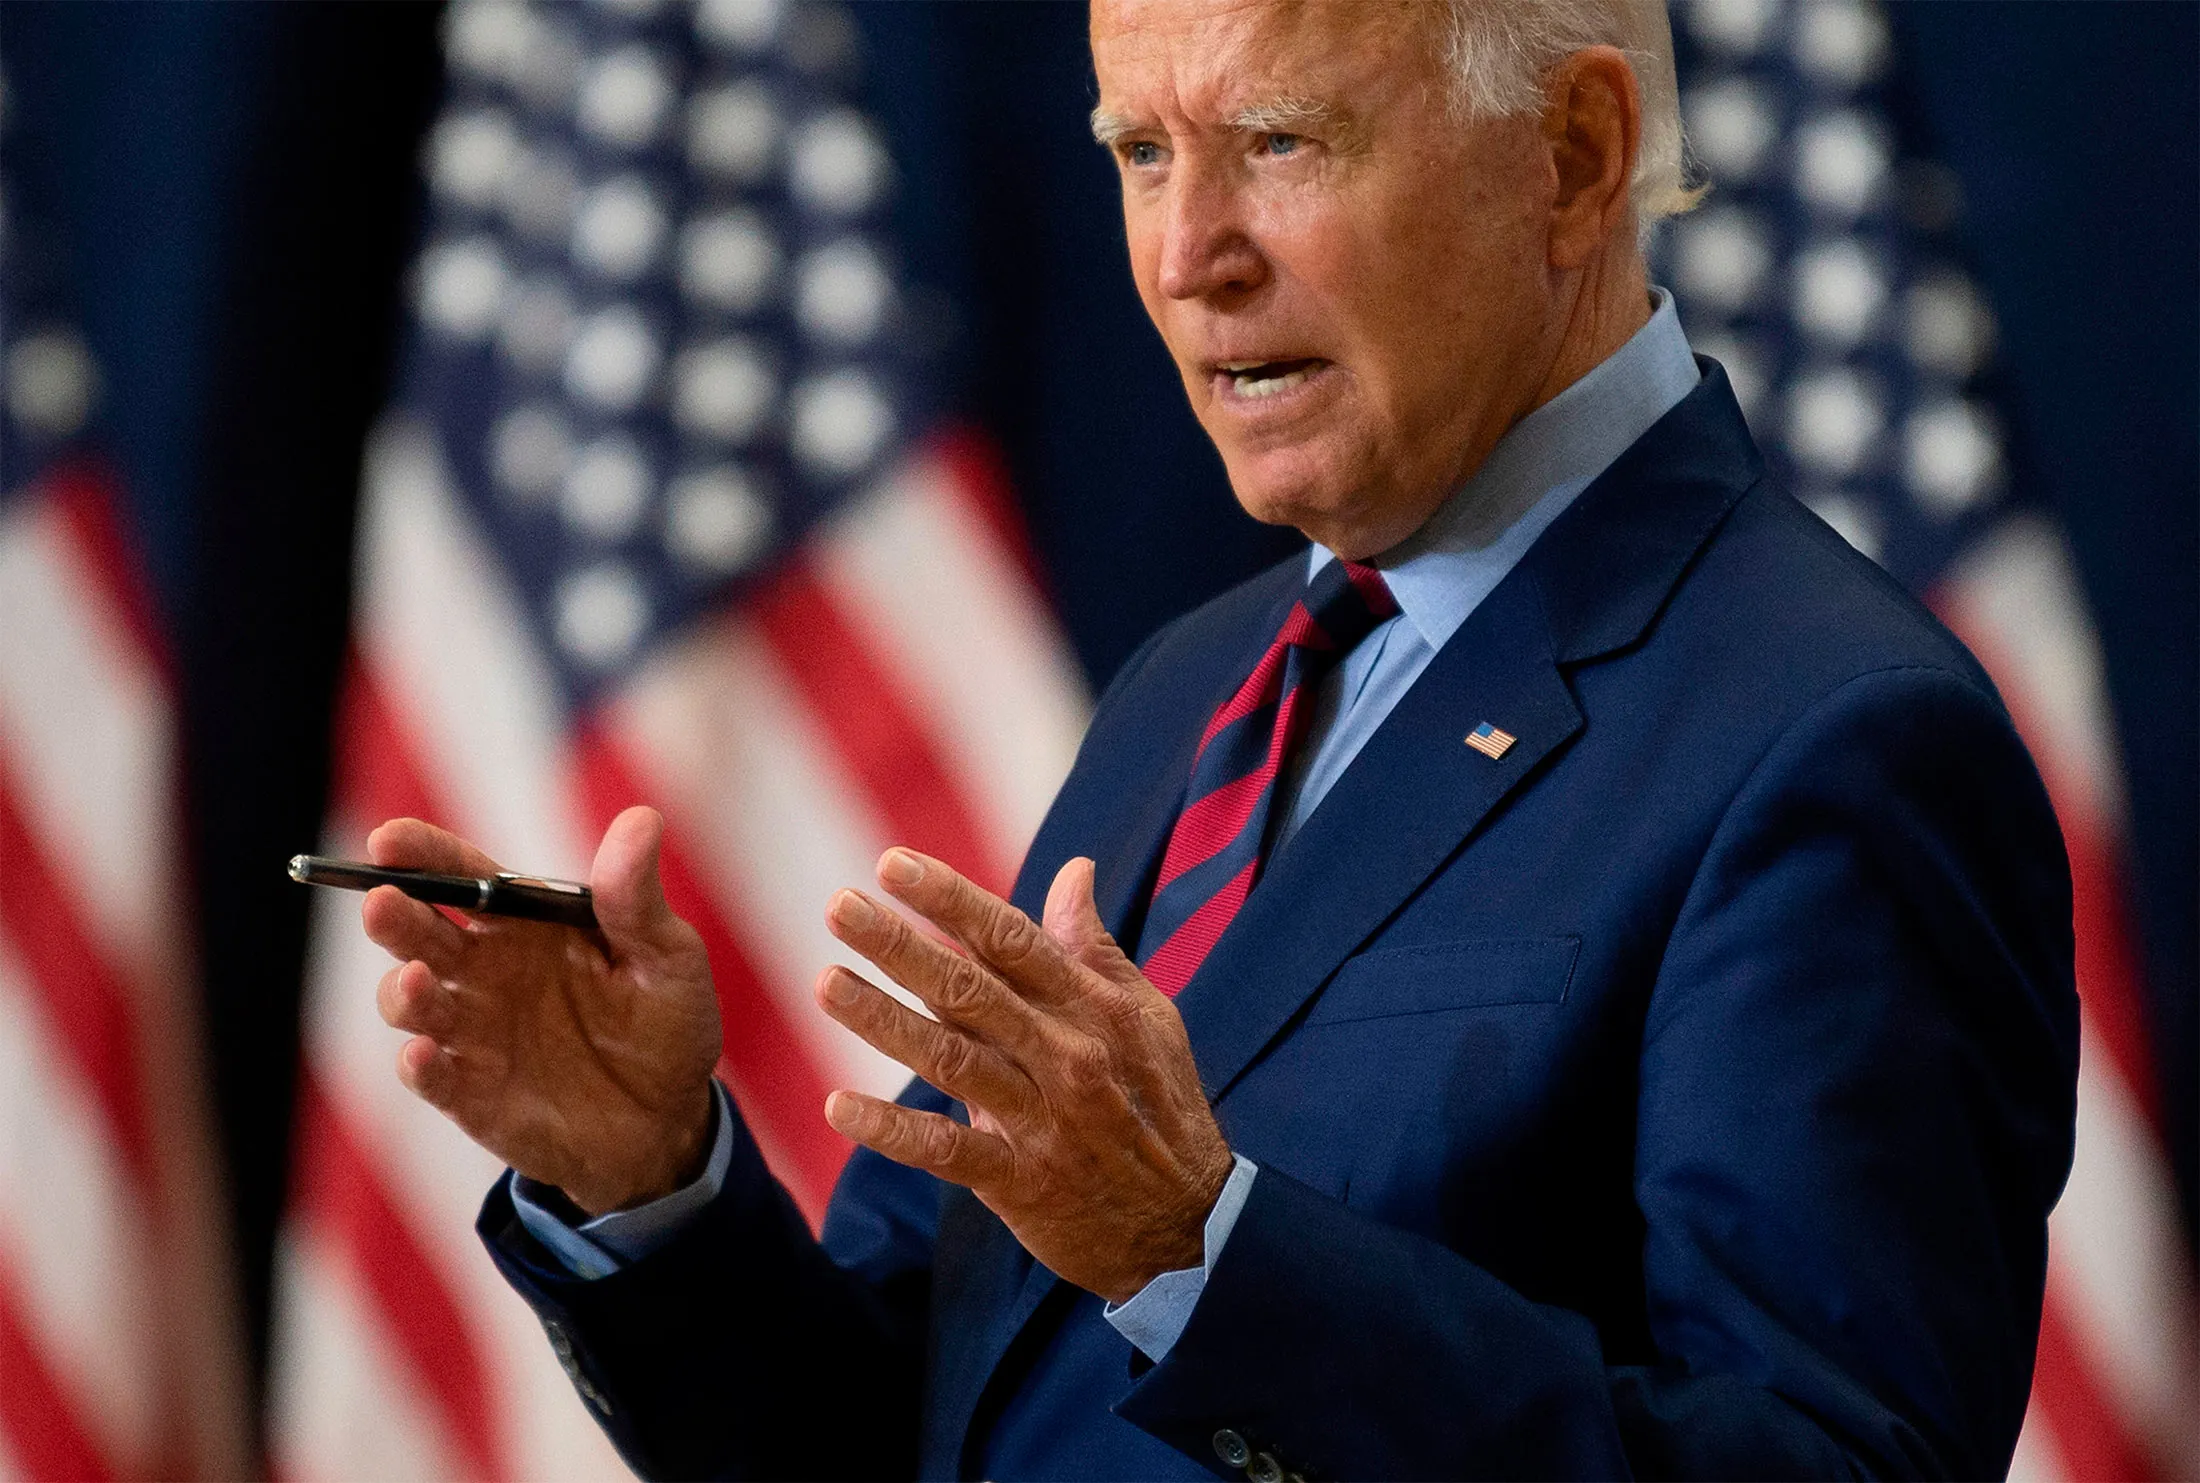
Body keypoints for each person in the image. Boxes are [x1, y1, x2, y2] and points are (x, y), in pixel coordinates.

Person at [359, 0, 2078, 1476]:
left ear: (1568, 155)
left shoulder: (1836, 740)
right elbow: (936, 1428)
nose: (1190, 256)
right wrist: (647, 1180)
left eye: (1278, 140)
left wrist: (1206, 1256)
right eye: (1140, 152)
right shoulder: (1200, 682)